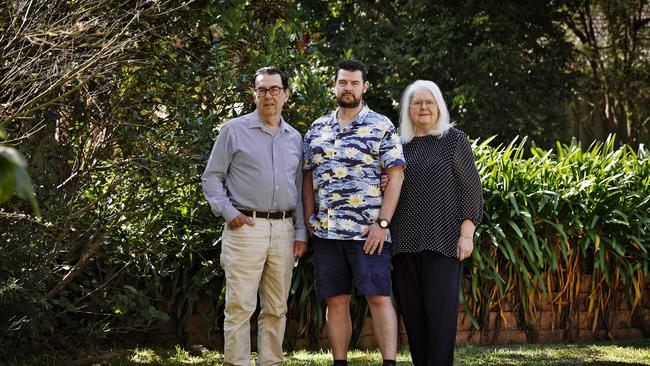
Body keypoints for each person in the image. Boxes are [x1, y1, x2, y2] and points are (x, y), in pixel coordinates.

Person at [201, 66, 308, 366]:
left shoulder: (295, 138)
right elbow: (211, 178)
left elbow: (299, 189)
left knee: (276, 306)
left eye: (275, 90)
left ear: (286, 95)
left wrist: (300, 231)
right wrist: (229, 213)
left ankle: (271, 362)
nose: (268, 96)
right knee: (239, 306)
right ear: (254, 95)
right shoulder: (233, 131)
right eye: (262, 90)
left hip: (284, 230)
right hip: (245, 228)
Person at [302, 59, 406, 366]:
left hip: (368, 233)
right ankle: (340, 362)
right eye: (343, 82)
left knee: (378, 297)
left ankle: (389, 362)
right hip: (326, 232)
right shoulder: (318, 128)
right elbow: (307, 175)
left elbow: (396, 175)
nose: (348, 88)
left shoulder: (381, 125)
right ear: (334, 86)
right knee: (336, 300)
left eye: (354, 83)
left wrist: (383, 224)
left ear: (365, 87)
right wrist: (310, 218)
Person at [388, 80, 483, 366]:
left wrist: (467, 234)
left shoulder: (453, 140)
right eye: (417, 103)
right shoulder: (396, 143)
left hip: (444, 243)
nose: (424, 108)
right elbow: (389, 184)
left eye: (429, 102)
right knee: (414, 319)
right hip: (403, 244)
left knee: (440, 320)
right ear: (408, 109)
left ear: (439, 106)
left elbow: (472, 190)